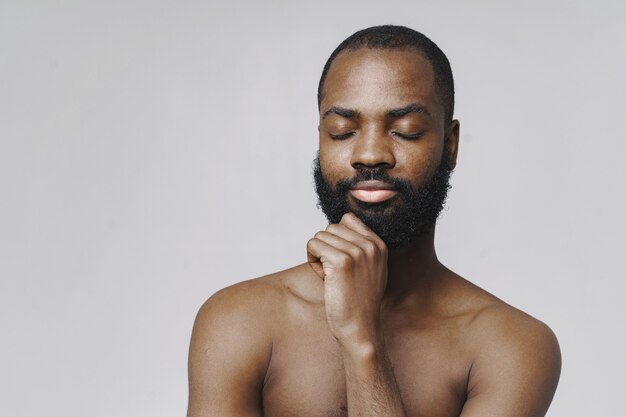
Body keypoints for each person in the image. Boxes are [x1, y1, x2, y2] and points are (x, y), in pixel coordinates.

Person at [186, 25, 561, 417]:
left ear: (450, 144)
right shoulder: (238, 322)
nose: (369, 154)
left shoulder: (511, 346)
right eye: (342, 131)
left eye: (406, 131)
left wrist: (361, 338)